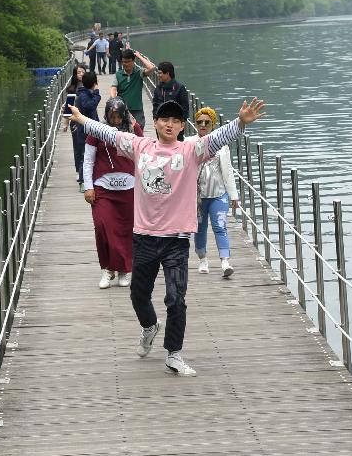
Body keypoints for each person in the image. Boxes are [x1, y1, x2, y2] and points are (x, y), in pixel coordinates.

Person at [67, 96, 266, 377]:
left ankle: (174, 353)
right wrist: (83, 119)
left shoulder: (191, 150)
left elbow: (219, 137)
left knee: (176, 298)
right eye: (164, 120)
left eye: (175, 121)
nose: (169, 124)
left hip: (176, 239)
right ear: (156, 123)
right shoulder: (141, 146)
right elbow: (110, 133)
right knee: (138, 295)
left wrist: (240, 123)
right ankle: (150, 326)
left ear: (182, 125)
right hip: (144, 236)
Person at [83, 97, 144, 289]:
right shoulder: (97, 132)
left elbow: (144, 152)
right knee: (103, 227)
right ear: (107, 115)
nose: (116, 120)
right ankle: (107, 269)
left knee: (126, 230)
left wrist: (134, 123)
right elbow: (88, 161)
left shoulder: (133, 131)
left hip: (128, 188)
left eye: (119, 116)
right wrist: (88, 186)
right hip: (103, 188)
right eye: (112, 116)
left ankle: (124, 270)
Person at [193, 107, 239, 277]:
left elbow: (227, 171)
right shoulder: (191, 143)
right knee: (200, 228)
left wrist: (233, 195)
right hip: (198, 197)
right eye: (200, 122)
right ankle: (202, 259)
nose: (203, 125)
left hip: (219, 194)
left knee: (220, 226)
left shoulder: (222, 146)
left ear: (213, 125)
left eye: (207, 122)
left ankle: (225, 261)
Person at [111, 49, 155, 127]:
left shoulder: (139, 72)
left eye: (128, 61)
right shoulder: (118, 75)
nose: (126, 64)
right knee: (124, 133)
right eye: (124, 62)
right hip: (123, 109)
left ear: (133, 61)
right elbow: (113, 89)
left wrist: (139, 56)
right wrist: (114, 102)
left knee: (139, 132)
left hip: (137, 109)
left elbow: (151, 68)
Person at [73, 71, 101, 192]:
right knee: (84, 155)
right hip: (84, 130)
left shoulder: (84, 93)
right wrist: (97, 94)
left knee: (92, 154)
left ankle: (91, 179)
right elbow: (89, 106)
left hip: (92, 129)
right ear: (94, 83)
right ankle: (82, 181)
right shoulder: (84, 95)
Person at [151, 61, 189, 141]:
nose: (158, 76)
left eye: (160, 73)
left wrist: (182, 122)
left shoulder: (179, 88)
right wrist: (156, 119)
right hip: (161, 124)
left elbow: (185, 107)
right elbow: (155, 105)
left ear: (167, 73)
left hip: (175, 124)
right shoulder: (158, 88)